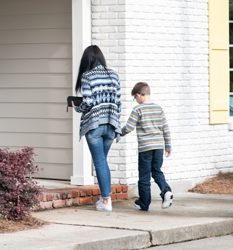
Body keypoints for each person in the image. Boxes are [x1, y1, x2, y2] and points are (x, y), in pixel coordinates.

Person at [72, 45, 121, 212]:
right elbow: (118, 103)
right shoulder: (114, 75)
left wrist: (76, 107)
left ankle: (106, 201)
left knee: (100, 162)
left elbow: (88, 103)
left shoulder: (87, 76)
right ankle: (104, 198)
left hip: (94, 125)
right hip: (111, 125)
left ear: (87, 60)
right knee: (102, 161)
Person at [120, 82, 172, 211]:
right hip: (159, 147)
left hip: (145, 148)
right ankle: (166, 191)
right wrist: (168, 147)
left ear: (139, 95)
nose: (136, 100)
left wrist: (118, 133)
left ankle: (144, 203)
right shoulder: (158, 109)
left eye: (135, 98)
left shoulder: (138, 109)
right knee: (157, 171)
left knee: (144, 176)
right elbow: (165, 129)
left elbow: (129, 127)